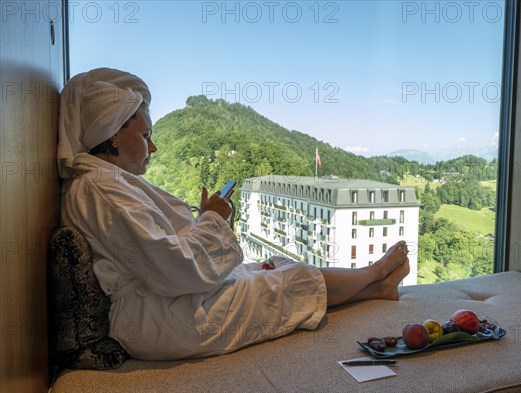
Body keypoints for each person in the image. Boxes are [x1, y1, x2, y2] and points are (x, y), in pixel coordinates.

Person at [57, 68, 410, 361]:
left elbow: (160, 256)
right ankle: (375, 272)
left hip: (164, 302)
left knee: (272, 266)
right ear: (115, 134)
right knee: (292, 279)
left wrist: (207, 220)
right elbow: (174, 268)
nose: (153, 146)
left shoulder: (106, 184)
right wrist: (212, 219)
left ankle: (376, 288)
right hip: (161, 318)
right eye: (146, 135)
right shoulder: (98, 188)